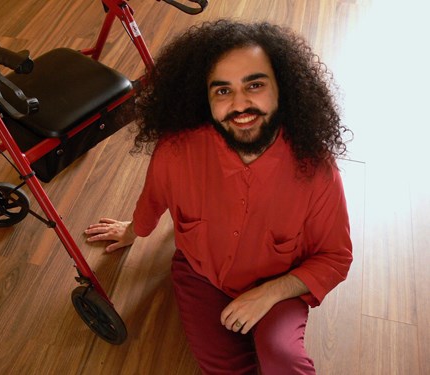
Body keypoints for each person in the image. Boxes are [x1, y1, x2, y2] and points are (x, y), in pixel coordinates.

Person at [85, 20, 353, 375]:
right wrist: (133, 231)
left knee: (281, 356)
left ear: (282, 90)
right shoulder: (176, 151)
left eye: (255, 85)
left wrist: (270, 293)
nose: (240, 104)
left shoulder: (316, 169)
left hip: (279, 282)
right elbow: (154, 198)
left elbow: (335, 257)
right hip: (201, 277)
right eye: (222, 91)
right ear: (205, 99)